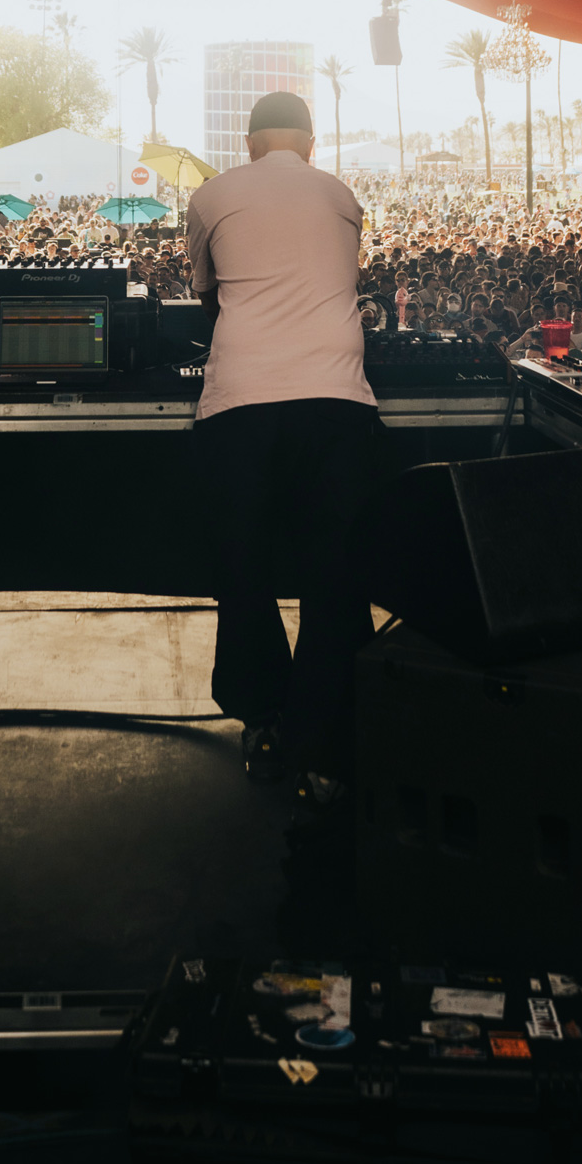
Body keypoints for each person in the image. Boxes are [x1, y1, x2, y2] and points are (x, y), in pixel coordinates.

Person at [185, 90, 382, 812]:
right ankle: (327, 750)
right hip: (336, 396)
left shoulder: (212, 195)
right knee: (334, 576)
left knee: (244, 567)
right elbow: (338, 280)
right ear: (308, 140)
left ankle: (263, 725)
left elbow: (209, 296)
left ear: (248, 142)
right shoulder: (340, 193)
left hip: (240, 398)